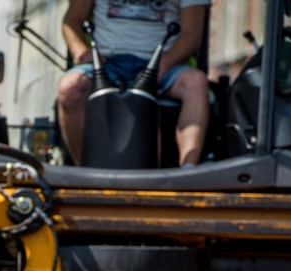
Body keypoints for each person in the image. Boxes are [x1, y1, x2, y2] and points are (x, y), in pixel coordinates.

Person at [57, 0, 211, 166]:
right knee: (69, 86)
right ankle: (84, 170)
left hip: (163, 61)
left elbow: (192, 35)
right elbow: (71, 21)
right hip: (106, 62)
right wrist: (81, 52)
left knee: (196, 83)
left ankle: (188, 170)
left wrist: (163, 64)